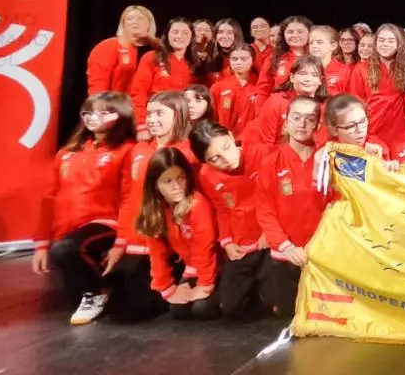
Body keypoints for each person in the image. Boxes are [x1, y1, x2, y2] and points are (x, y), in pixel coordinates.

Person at [32, 92, 136, 325]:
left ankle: (96, 293)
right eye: (87, 112)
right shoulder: (67, 153)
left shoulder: (128, 150)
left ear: (121, 115)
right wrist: (41, 243)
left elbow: (131, 197)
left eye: (102, 112)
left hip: (105, 222)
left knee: (65, 250)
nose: (91, 117)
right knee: (72, 290)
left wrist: (121, 241)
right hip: (68, 229)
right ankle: (105, 288)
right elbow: (50, 197)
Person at [117, 90, 198, 320]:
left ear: (178, 114)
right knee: (126, 309)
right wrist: (122, 239)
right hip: (140, 241)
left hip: (174, 245)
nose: (151, 119)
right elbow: (128, 197)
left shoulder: (189, 152)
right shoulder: (139, 150)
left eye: (159, 113)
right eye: (149, 114)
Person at [254, 95, 327, 318]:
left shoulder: (325, 158)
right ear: (286, 122)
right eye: (296, 117)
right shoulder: (272, 161)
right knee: (287, 312)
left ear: (317, 125)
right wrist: (286, 247)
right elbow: (264, 210)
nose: (302, 124)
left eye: (309, 119)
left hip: (320, 252)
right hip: (286, 253)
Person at [189, 121, 270, 318]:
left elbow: (280, 200)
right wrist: (227, 242)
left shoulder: (263, 154)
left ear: (232, 137)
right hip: (241, 243)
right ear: (205, 161)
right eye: (215, 158)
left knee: (275, 299)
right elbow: (222, 210)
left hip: (270, 238)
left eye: (226, 147)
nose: (226, 159)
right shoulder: (207, 175)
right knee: (231, 308)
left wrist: (269, 232)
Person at [136, 147, 221, 320]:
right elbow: (157, 254)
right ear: (155, 184)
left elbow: (206, 248)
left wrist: (205, 285)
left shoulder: (197, 204)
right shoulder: (156, 210)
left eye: (181, 178)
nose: (176, 186)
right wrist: (167, 288)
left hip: (217, 266)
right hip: (193, 268)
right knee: (178, 310)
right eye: (168, 181)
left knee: (203, 309)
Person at [347, 23, 405, 150]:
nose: (385, 44)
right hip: (372, 134)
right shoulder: (361, 69)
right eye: (381, 40)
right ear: (375, 43)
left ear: (399, 44)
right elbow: (354, 106)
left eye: (391, 41)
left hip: (401, 134)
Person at [130, 17, 196, 134]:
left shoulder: (195, 63)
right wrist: (141, 124)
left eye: (185, 33)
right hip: (156, 120)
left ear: (192, 37)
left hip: (184, 123)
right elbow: (138, 93)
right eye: (175, 32)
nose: (179, 36)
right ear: (167, 35)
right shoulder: (152, 57)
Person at [243, 56, 327, 146]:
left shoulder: (326, 108)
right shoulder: (276, 101)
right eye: (302, 73)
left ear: (320, 80)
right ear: (292, 77)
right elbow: (265, 143)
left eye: (314, 75)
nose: (308, 79)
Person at [87, 5, 157, 95]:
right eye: (129, 19)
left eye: (140, 18)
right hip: (117, 102)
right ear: (123, 25)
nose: (134, 22)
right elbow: (98, 83)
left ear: (149, 24)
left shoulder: (158, 49)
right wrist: (101, 102)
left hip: (151, 102)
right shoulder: (107, 46)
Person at [209, 43, 262, 136]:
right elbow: (213, 118)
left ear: (253, 61)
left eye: (244, 59)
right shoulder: (218, 87)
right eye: (234, 59)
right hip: (226, 138)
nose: (238, 62)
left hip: (252, 138)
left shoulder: (260, 85)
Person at [257, 15, 312, 98]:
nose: (294, 35)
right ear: (283, 34)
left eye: (300, 32)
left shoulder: (317, 57)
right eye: (290, 32)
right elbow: (263, 89)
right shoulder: (273, 58)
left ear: (310, 33)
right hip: (280, 104)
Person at [309, 25, 351, 96]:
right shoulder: (305, 68)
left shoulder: (345, 71)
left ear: (333, 45)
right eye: (311, 42)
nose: (314, 46)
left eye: (319, 42)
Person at [202, 18, 244, 85]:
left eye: (229, 32)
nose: (224, 36)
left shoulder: (245, 56)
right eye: (220, 32)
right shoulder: (209, 55)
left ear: (236, 35)